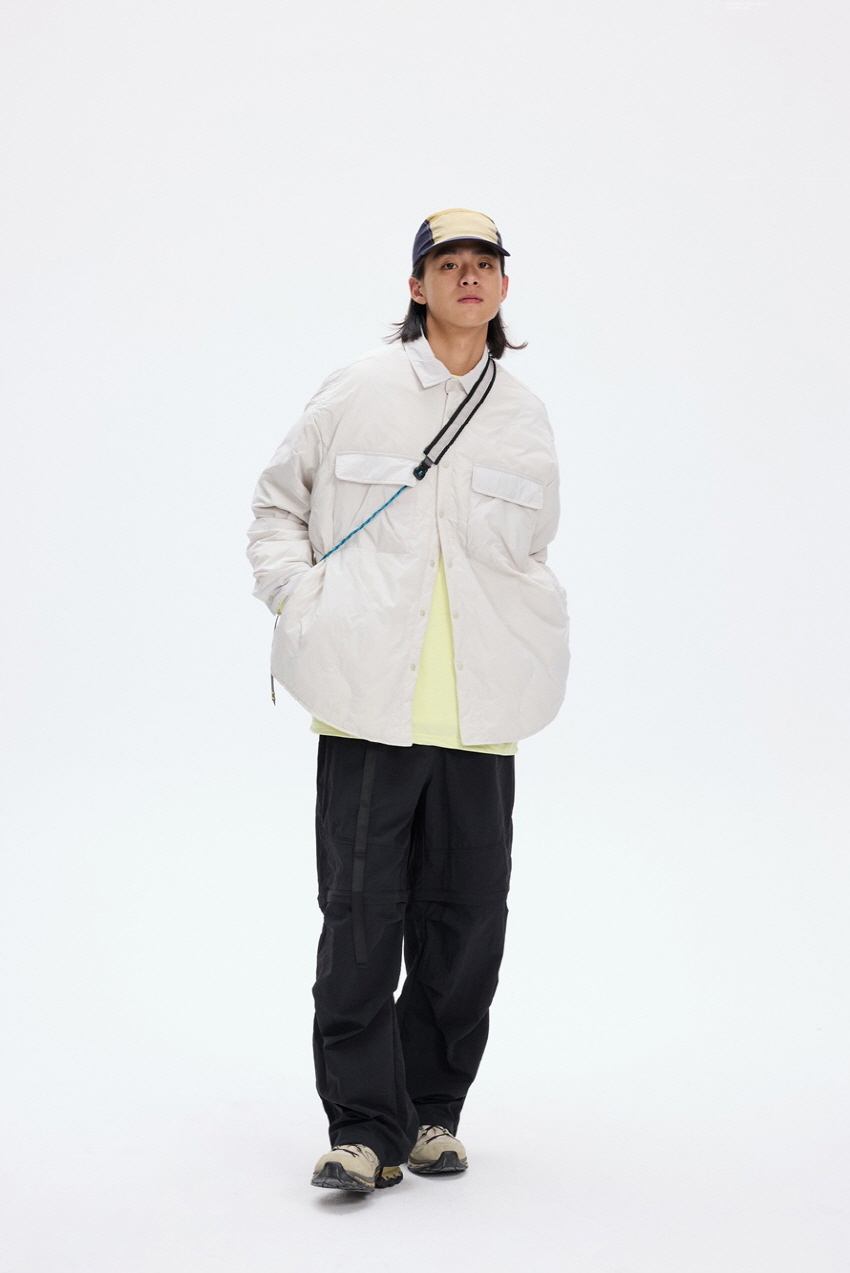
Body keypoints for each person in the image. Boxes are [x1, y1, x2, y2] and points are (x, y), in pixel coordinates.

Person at [247, 207, 569, 1193]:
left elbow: (532, 546)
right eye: (448, 262)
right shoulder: (361, 387)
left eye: (485, 263)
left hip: (483, 711)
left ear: (504, 286)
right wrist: (299, 600)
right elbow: (277, 503)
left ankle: (433, 1112)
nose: (468, 276)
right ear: (417, 285)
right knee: (359, 920)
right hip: (365, 703)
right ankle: (361, 1128)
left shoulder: (522, 413)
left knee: (466, 923)